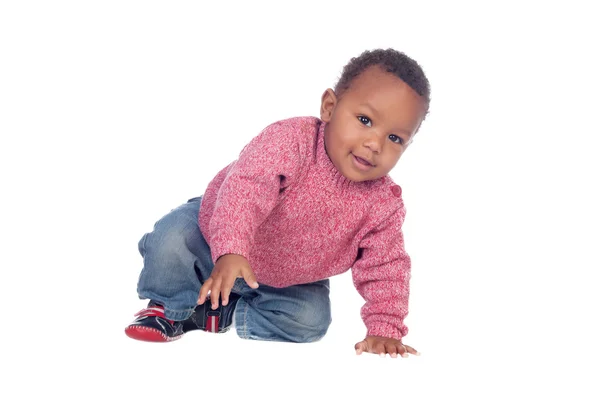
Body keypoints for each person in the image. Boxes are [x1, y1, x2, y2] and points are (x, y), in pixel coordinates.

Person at [125, 48, 430, 358]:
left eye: (395, 139)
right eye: (364, 120)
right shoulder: (289, 143)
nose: (374, 144)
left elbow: (387, 266)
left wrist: (383, 329)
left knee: (309, 322)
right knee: (172, 240)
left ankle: (220, 313)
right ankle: (168, 306)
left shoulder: (382, 204)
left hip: (284, 279)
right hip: (214, 238)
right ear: (330, 107)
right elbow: (244, 192)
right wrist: (230, 249)